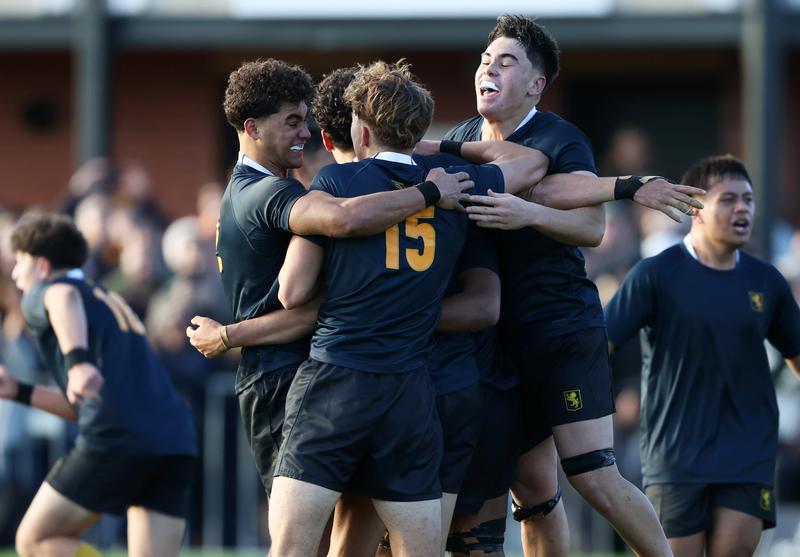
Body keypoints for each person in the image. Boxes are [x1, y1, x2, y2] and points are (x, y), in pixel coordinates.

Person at [268, 59, 547, 557]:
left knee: (292, 547)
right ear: (417, 130)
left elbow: (292, 290)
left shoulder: (335, 184)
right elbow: (532, 162)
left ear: (363, 127)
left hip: (336, 378)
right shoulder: (458, 186)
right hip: (411, 392)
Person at [198, 58, 477, 512]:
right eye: (292, 122)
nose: (305, 133)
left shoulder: (271, 186)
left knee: (349, 524)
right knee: (306, 534)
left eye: (306, 121)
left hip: (317, 373)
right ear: (252, 127)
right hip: (277, 376)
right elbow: (341, 220)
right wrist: (427, 191)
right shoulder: (268, 193)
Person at [441, 15, 673, 557]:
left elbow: (592, 228)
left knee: (591, 473)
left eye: (506, 62)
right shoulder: (458, 140)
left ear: (535, 85)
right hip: (495, 341)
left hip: (561, 325)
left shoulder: (558, 135)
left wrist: (525, 212)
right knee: (534, 489)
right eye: (484, 60)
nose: (488, 70)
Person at [605, 155, 800, 557]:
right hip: (675, 457)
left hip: (748, 452)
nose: (742, 208)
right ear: (696, 208)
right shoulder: (655, 275)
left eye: (748, 199)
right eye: (728, 199)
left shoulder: (767, 281)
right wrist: (604, 404)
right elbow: (599, 345)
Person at [4, 213, 196, 557]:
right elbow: (83, 406)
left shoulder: (49, 289)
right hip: (173, 439)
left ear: (42, 265)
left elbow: (60, 297)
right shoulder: (102, 297)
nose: (16, 274)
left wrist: (77, 362)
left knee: (34, 539)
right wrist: (18, 390)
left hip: (118, 440)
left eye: (19, 262)